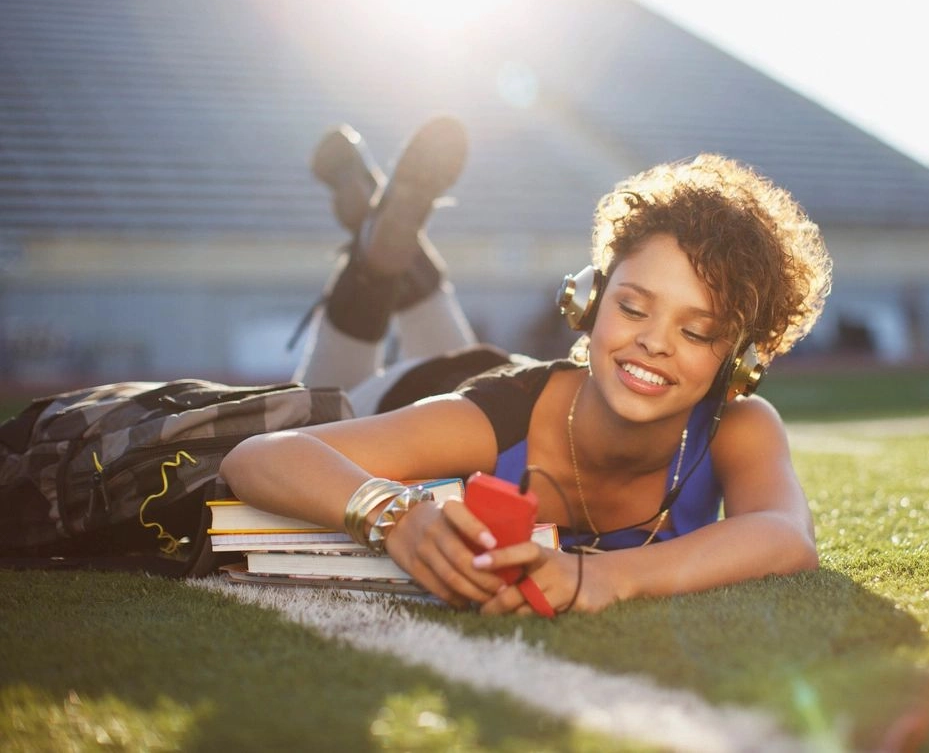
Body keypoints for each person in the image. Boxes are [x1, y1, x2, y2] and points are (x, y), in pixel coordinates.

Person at [220, 116, 833, 615]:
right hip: (409, 393)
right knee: (332, 386)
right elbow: (260, 456)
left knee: (439, 337)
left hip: (488, 376)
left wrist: (607, 578)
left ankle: (377, 218)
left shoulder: (739, 423)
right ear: (589, 301)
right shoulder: (494, 418)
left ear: (741, 363)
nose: (654, 342)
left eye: (697, 331)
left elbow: (784, 535)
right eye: (632, 307)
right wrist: (395, 518)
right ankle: (376, 252)